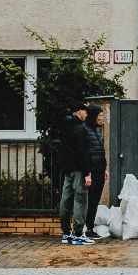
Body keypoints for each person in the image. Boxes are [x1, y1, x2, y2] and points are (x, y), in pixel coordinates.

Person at [56, 102, 95, 245]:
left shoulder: (65, 127)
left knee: (65, 200)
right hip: (79, 169)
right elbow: (83, 153)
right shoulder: (80, 129)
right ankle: (78, 234)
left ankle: (66, 233)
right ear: (79, 112)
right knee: (80, 200)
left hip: (68, 169)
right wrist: (87, 173)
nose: (87, 114)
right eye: (85, 112)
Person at [82, 104, 109, 239]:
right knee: (88, 200)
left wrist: (105, 168)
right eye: (100, 115)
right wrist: (87, 173)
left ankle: (90, 228)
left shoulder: (97, 131)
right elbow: (85, 153)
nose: (102, 117)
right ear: (93, 116)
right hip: (91, 172)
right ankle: (83, 228)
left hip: (99, 171)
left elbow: (101, 151)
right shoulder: (85, 130)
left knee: (94, 201)